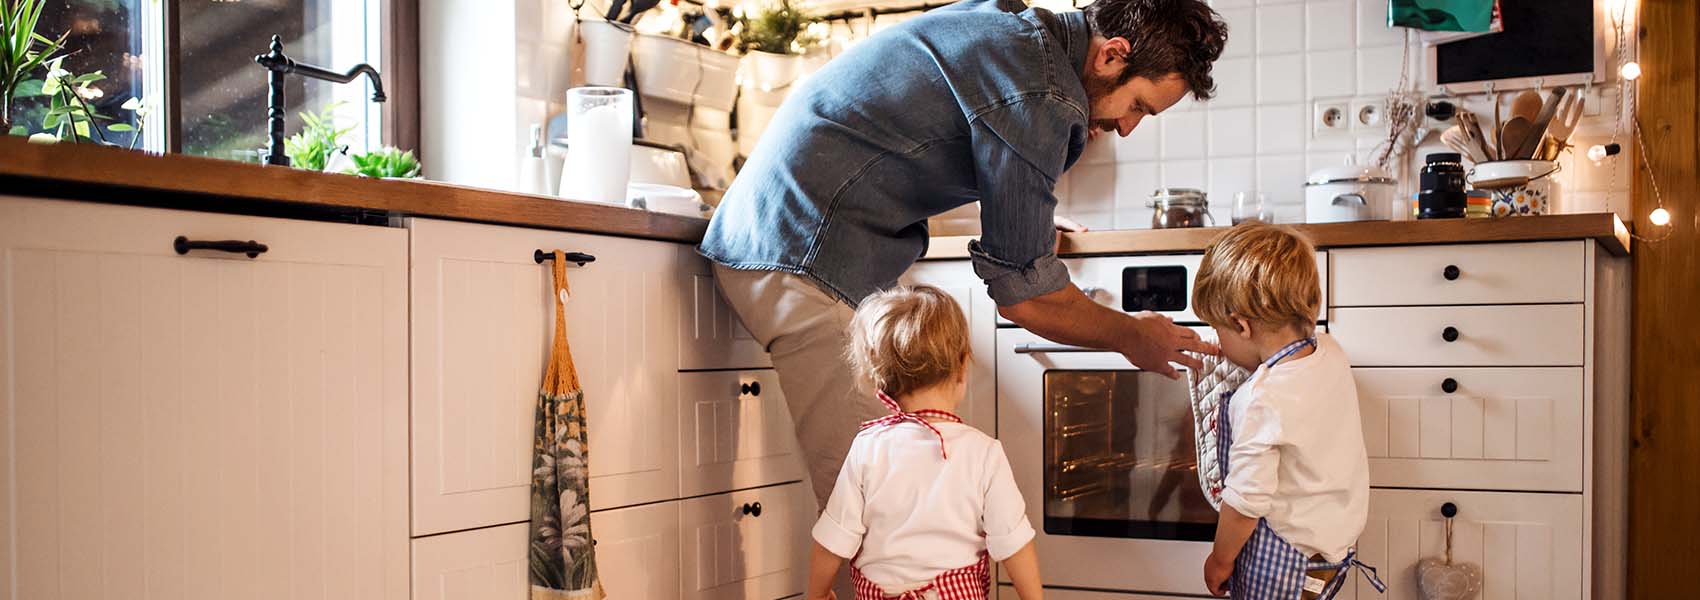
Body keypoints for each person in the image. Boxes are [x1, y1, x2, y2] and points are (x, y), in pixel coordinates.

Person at [700, 0, 1229, 508]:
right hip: (803, 256)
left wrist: (1028, 220)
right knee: (878, 513)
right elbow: (1026, 298)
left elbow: (930, 139)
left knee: (881, 501)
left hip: (787, 243)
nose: (1130, 125)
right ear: (1111, 54)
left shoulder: (1014, 30)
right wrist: (1131, 334)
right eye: (1138, 105)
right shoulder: (1042, 90)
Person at [806, 286, 1040, 600]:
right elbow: (1014, 544)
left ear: (881, 378)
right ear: (962, 367)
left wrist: (818, 595)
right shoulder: (983, 452)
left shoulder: (868, 447)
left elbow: (832, 537)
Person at [1191, 223, 1384, 599]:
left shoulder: (1263, 399)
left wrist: (1220, 559)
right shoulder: (1329, 352)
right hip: (1333, 552)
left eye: (1217, 330)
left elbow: (1245, 502)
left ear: (1240, 325)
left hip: (1284, 560)